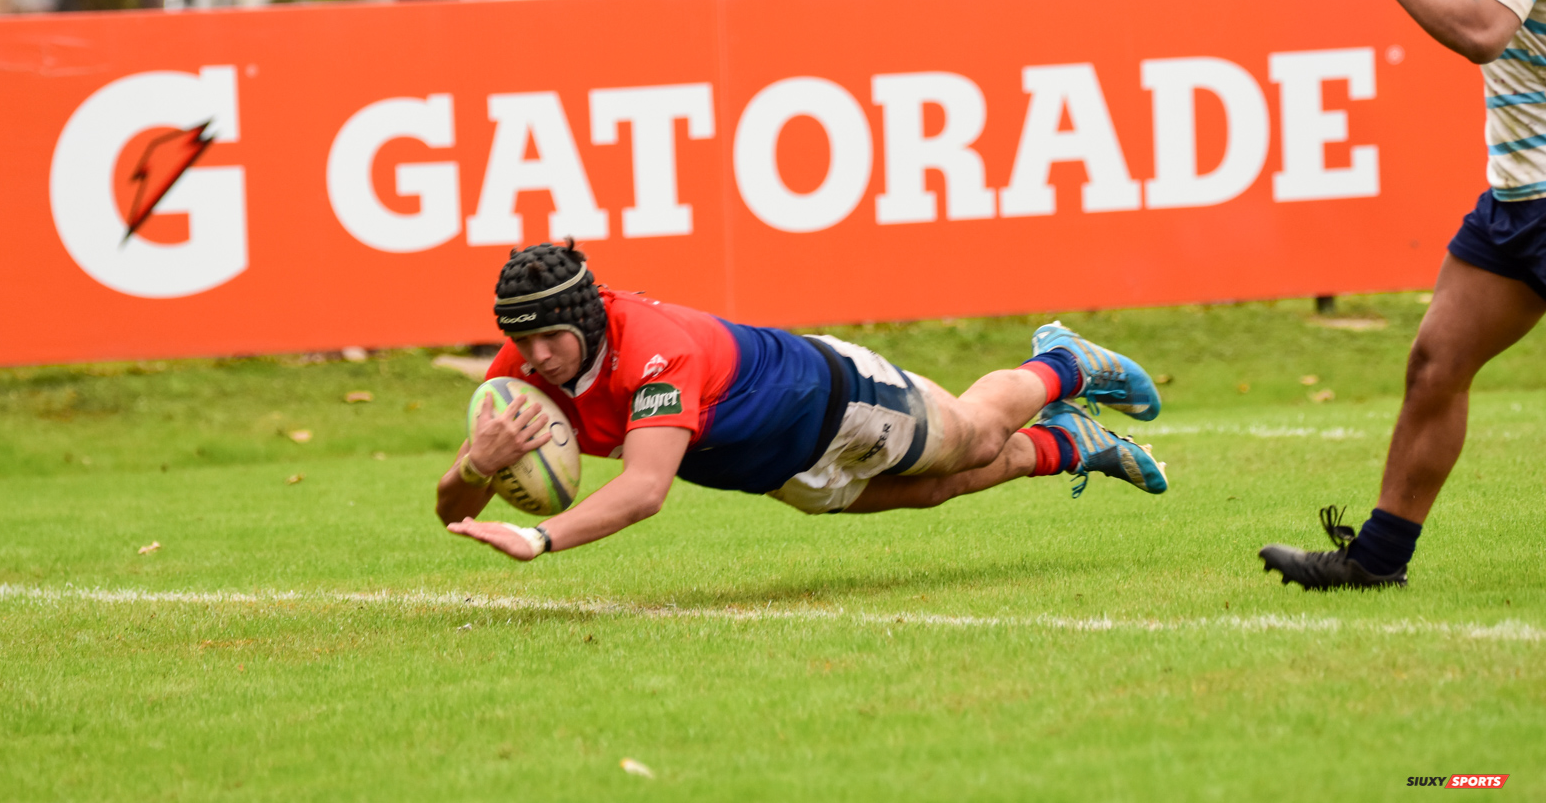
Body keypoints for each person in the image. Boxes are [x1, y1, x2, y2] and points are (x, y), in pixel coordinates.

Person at [437, 241, 1168, 563]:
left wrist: (541, 536)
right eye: (518, 341)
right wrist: (477, 462)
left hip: (829, 397)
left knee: (974, 436)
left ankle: (1063, 362)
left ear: (588, 318)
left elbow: (646, 487)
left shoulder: (657, 349)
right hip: (770, 467)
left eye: (549, 339)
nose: (532, 359)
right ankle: (1074, 444)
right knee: (936, 490)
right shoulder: (523, 372)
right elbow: (451, 510)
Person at [1259, 0, 1546, 589]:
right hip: (1517, 198)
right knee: (1436, 363)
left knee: (1436, 364)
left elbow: (1485, 30)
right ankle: (1376, 560)